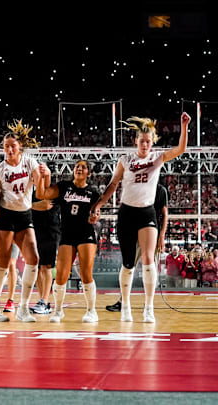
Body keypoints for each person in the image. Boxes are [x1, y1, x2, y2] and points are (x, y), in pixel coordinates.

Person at [92, 112, 190, 322]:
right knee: (128, 263)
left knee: (147, 259)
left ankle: (148, 308)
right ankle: (125, 306)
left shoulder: (158, 157)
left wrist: (184, 126)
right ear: (135, 141)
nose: (145, 144)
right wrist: (99, 204)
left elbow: (181, 149)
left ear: (152, 142)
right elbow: (112, 185)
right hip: (127, 212)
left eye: (148, 141)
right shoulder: (125, 160)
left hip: (147, 212)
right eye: (142, 141)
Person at [0, 120, 42, 323]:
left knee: (33, 258)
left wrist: (45, 177)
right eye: (6, 146)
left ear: (20, 147)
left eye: (13, 145)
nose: (9, 149)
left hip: (24, 214)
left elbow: (40, 188)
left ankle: (23, 308)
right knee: (3, 262)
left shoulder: (30, 162)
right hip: (5, 216)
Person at [36, 160, 101, 323]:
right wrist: (42, 176)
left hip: (86, 233)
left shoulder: (93, 191)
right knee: (61, 275)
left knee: (86, 273)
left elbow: (96, 212)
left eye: (83, 167)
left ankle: (91, 311)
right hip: (67, 234)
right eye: (77, 166)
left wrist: (95, 216)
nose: (79, 168)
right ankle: (57, 311)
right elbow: (41, 194)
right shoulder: (63, 186)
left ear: (89, 173)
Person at [106, 181, 169, 312]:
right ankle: (122, 301)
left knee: (149, 267)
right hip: (133, 232)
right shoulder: (136, 187)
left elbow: (165, 214)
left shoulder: (160, 190)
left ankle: (148, 305)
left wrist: (161, 236)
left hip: (151, 233)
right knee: (128, 266)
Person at [29, 192, 60, 315]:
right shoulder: (31, 193)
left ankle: (45, 301)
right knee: (36, 267)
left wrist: (29, 205)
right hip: (34, 231)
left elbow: (46, 206)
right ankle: (42, 301)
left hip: (50, 232)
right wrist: (33, 205)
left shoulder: (54, 191)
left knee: (46, 267)